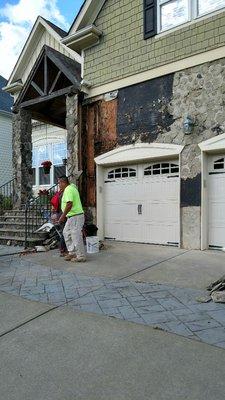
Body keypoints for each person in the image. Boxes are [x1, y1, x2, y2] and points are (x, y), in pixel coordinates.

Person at [57, 175, 86, 262]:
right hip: (71, 217)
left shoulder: (69, 189)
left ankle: (81, 256)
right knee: (66, 233)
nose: (58, 185)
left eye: (59, 183)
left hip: (76, 216)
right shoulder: (70, 188)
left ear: (63, 182)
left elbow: (69, 204)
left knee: (76, 236)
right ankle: (72, 252)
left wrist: (62, 216)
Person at [50, 190, 68, 256]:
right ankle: (63, 249)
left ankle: (63, 249)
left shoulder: (58, 194)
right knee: (65, 232)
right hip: (62, 214)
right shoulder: (63, 194)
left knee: (64, 232)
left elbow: (53, 207)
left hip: (59, 214)